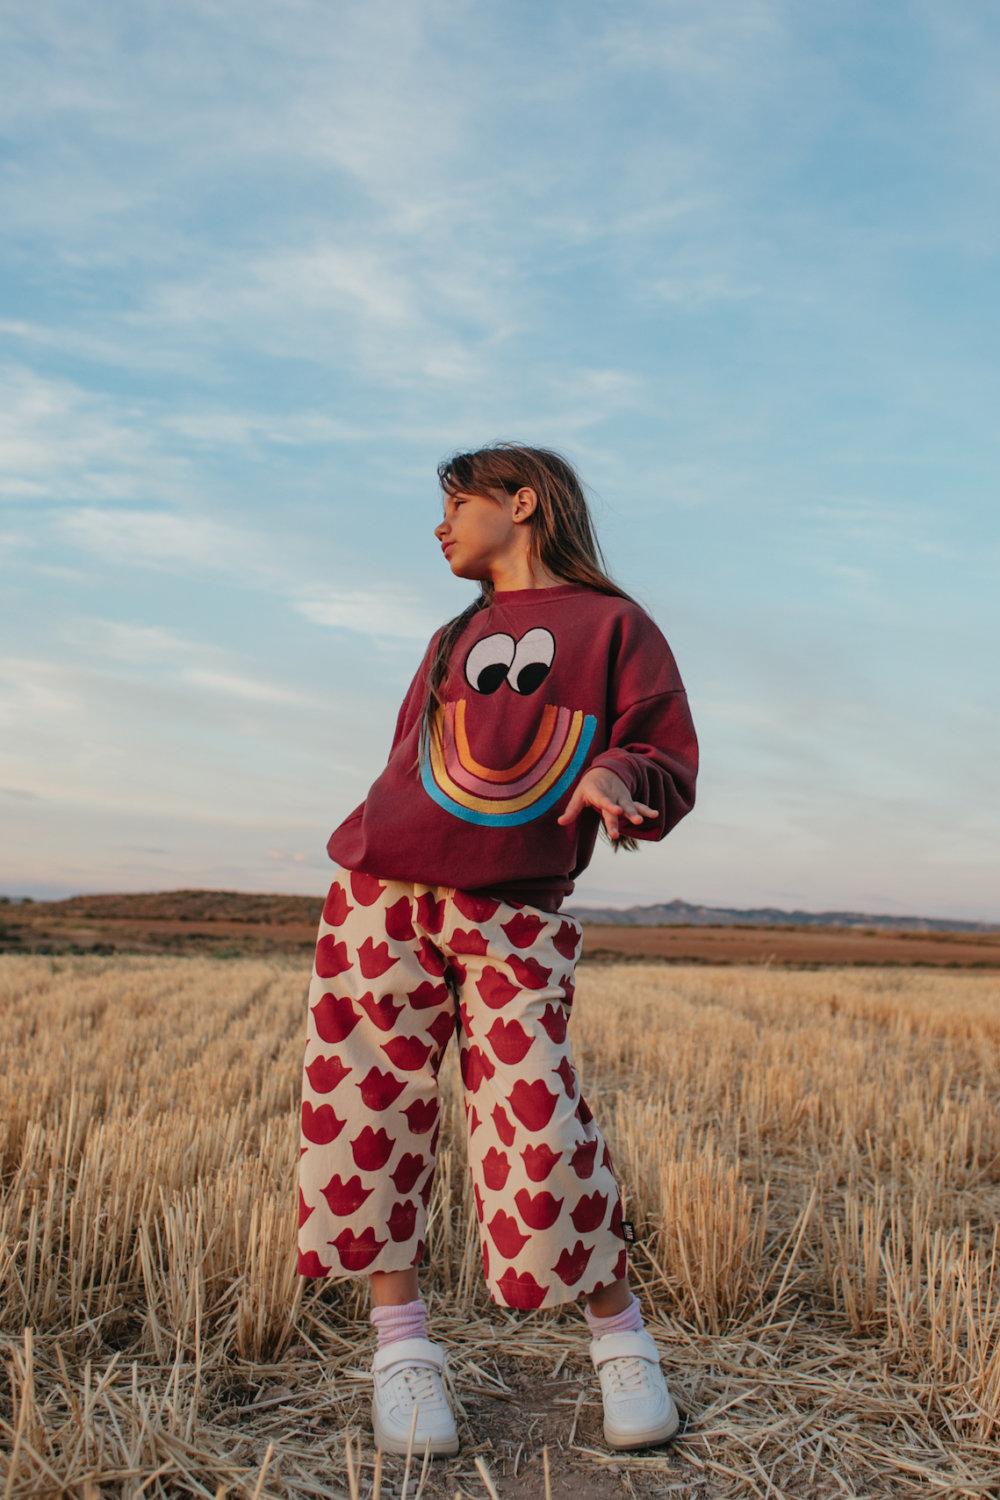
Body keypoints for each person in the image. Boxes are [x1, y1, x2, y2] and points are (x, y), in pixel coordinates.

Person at [298, 443, 698, 1457]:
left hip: (515, 910)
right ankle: (401, 1348)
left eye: (456, 504)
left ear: (520, 503)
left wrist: (615, 779)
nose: (439, 525)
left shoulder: (614, 626)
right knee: (369, 1109)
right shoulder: (450, 636)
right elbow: (411, 759)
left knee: (539, 1115)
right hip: (380, 894)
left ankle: (621, 1342)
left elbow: (663, 753)